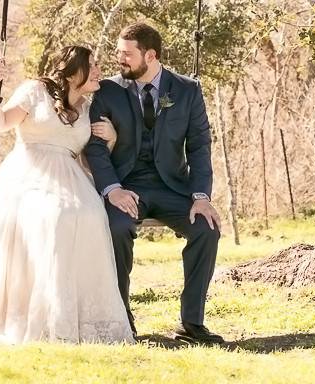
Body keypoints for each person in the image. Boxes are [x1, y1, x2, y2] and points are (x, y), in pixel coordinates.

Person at [0, 45, 134, 344]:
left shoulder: (86, 108)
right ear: (75, 70)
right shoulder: (35, 90)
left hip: (70, 177)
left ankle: (83, 316)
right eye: (93, 64)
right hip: (28, 171)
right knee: (57, 217)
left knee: (91, 215)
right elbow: (1, 124)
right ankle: (46, 314)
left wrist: (112, 140)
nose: (99, 70)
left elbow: (85, 160)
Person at [84, 23, 224, 344]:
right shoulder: (107, 91)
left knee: (207, 228)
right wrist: (112, 189)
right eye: (119, 53)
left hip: (172, 188)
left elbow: (200, 146)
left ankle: (191, 322)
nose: (120, 60)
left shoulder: (187, 90)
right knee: (116, 228)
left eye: (127, 54)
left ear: (151, 55)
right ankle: (123, 320)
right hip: (125, 187)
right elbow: (94, 146)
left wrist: (201, 196)